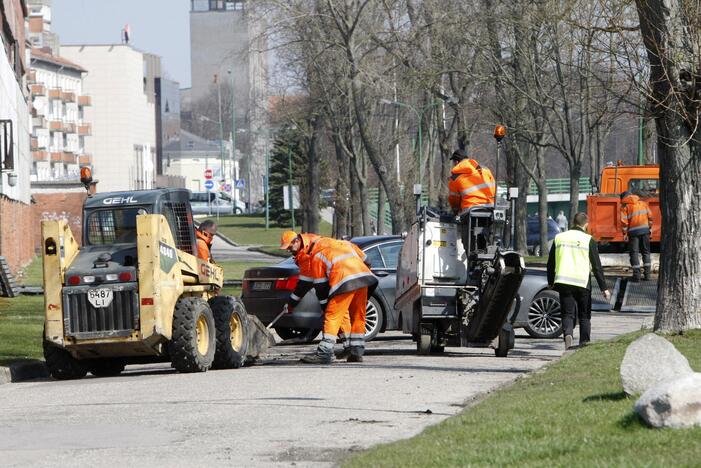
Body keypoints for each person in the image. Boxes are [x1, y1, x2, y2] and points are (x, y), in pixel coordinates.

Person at [281, 232, 377, 364]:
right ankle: (356, 352)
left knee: (332, 316)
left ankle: (325, 353)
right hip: (363, 278)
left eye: (289, 247)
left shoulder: (317, 256)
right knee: (358, 316)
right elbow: (368, 260)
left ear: (297, 241)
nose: (288, 250)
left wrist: (325, 306)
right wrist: (292, 302)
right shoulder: (344, 244)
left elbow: (321, 287)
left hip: (344, 282)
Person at [547, 212, 611, 350]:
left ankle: (568, 334)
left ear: (573, 222)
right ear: (585, 224)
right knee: (584, 315)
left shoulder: (559, 238)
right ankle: (584, 343)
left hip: (563, 281)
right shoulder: (588, 239)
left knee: (567, 313)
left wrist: (551, 282)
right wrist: (604, 288)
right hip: (582, 282)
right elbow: (596, 266)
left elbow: (550, 263)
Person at [447, 150, 496, 253]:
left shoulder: (455, 177)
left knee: (468, 237)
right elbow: (493, 187)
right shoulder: (485, 170)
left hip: (470, 211)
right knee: (489, 233)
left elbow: (454, 199)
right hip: (489, 209)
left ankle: (472, 254)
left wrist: (455, 212)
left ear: (456, 162)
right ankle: (489, 249)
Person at [620, 191, 653, 281]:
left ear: (623, 199)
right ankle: (647, 275)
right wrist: (650, 228)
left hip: (633, 233)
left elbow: (624, 223)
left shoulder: (625, 207)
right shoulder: (643, 203)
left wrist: (624, 234)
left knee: (634, 253)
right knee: (646, 252)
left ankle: (637, 276)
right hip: (645, 231)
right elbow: (650, 217)